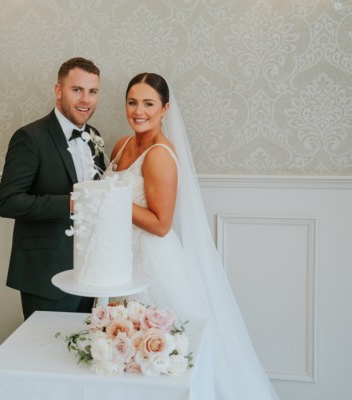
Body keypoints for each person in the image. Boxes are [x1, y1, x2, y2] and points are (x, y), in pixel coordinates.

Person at [104, 73, 279, 399]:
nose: (138, 111)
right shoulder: (122, 144)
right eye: (132, 102)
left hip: (151, 259)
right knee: (122, 349)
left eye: (148, 103)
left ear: (165, 108)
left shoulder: (159, 154)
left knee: (159, 351)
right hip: (117, 256)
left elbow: (160, 224)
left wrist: (108, 200)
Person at [0, 57, 106, 320]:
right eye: (76, 90)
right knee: (46, 355)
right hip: (46, 274)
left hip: (90, 270)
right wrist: (69, 204)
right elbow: (8, 202)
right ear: (58, 91)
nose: (85, 100)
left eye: (92, 92)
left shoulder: (94, 136)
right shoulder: (30, 137)